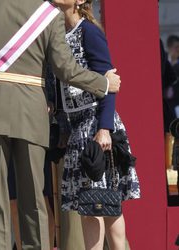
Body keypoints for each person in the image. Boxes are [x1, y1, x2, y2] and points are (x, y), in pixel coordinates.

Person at [0, 0, 120, 249]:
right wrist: (102, 84)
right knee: (33, 198)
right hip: (31, 113)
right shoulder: (48, 14)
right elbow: (66, 68)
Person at [51, 0, 140, 249]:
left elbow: (109, 85)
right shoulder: (57, 35)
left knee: (106, 201)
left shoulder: (89, 31)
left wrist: (104, 128)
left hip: (96, 125)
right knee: (90, 203)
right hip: (76, 128)